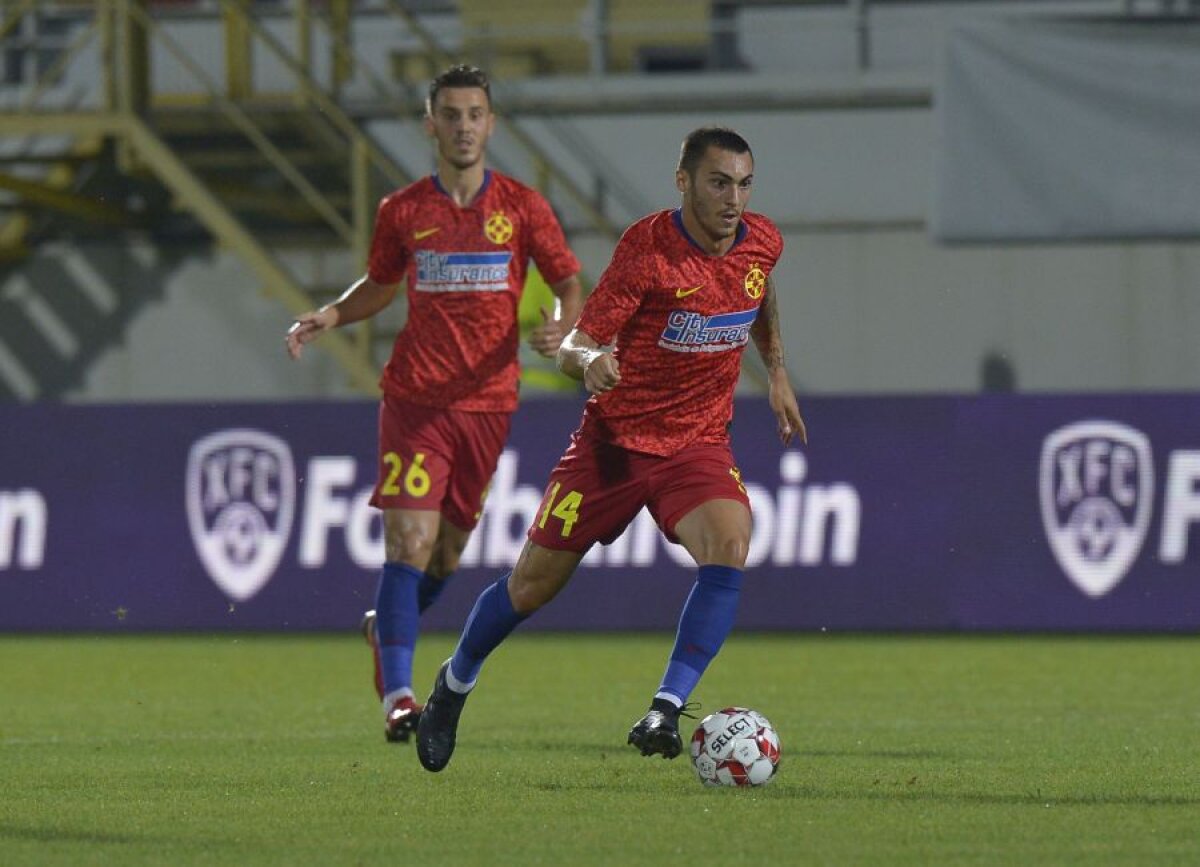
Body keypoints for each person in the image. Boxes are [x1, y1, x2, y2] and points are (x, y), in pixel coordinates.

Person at [414, 126, 806, 773]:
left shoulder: (762, 240)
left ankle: (665, 706)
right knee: (530, 587)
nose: (733, 198)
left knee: (731, 540)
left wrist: (780, 371)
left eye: (743, 183)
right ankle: (452, 686)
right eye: (718, 182)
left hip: (696, 442)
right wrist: (590, 360)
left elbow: (757, 291)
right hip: (613, 445)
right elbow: (575, 342)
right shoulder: (647, 251)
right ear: (683, 182)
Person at [285, 64, 583, 743]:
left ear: (490, 124)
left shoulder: (524, 207)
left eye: (475, 113)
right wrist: (330, 314)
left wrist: (565, 323)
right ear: (431, 125)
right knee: (410, 542)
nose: (464, 126)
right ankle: (398, 695)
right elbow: (381, 283)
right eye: (450, 114)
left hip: (488, 405)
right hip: (416, 399)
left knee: (447, 556)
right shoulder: (403, 210)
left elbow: (569, 280)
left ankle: (384, 627)